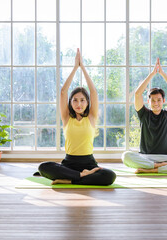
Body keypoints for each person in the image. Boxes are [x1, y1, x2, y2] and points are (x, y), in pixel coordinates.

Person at [37, 49, 116, 185]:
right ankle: (80, 176)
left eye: (82, 100)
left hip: (89, 163)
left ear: (87, 102)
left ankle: (70, 179)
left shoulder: (91, 117)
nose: (79, 104)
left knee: (110, 176)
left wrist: (83, 67)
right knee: (43, 167)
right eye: (75, 100)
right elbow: (63, 92)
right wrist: (75, 68)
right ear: (70, 102)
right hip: (69, 163)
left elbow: (94, 92)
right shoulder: (66, 117)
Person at [121, 58, 167, 174]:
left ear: (164, 100)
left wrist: (163, 74)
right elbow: (137, 94)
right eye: (153, 100)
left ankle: (152, 169)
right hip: (146, 157)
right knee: (126, 156)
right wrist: (152, 73)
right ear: (148, 101)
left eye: (159, 100)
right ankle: (159, 167)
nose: (156, 103)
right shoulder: (144, 114)